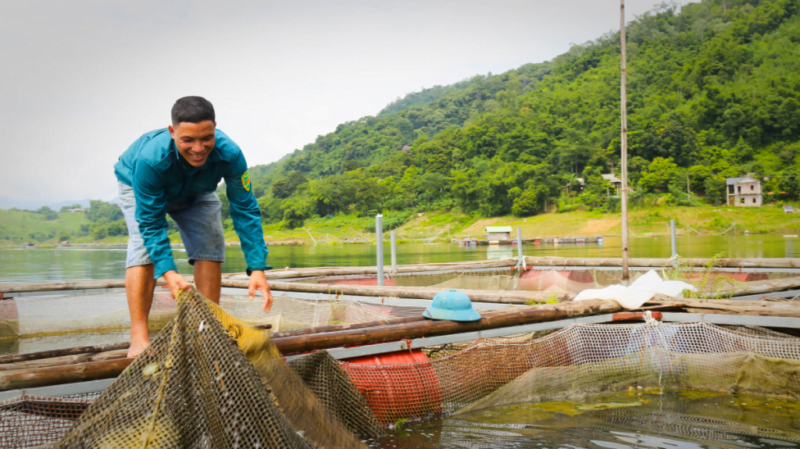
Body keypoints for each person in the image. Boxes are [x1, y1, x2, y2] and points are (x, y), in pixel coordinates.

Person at [115, 96, 273, 358]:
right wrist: (167, 270)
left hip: (197, 190)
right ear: (172, 131)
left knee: (211, 242)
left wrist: (257, 267)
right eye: (187, 140)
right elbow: (151, 224)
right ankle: (139, 334)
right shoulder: (150, 160)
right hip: (140, 185)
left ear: (215, 129)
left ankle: (207, 330)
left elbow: (245, 208)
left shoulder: (230, 153)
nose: (198, 148)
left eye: (206, 138)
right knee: (143, 247)